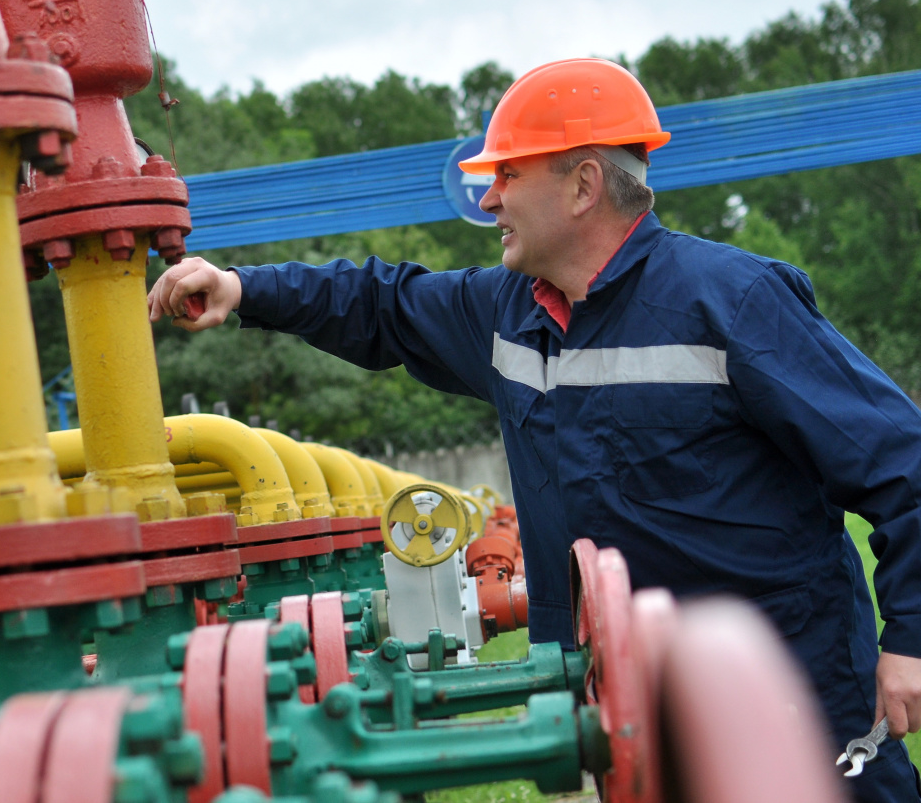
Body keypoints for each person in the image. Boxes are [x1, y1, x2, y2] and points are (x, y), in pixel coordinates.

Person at [149, 57, 921, 800]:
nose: (488, 200)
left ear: (584, 184)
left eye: (508, 175)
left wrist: (912, 639)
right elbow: (381, 304)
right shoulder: (508, 316)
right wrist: (243, 288)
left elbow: (901, 463)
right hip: (629, 708)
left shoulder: (735, 303)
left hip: (791, 693)